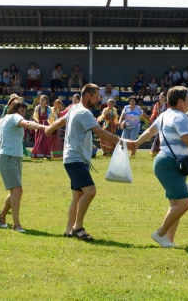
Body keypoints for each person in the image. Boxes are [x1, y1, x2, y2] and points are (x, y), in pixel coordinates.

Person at [45, 84, 136, 241]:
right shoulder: (84, 112)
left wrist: (48, 129)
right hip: (76, 159)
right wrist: (123, 142)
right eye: (96, 97)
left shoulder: (74, 108)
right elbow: (100, 132)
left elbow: (60, 121)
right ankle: (77, 228)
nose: (98, 100)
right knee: (90, 191)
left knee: (77, 196)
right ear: (87, 96)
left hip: (74, 158)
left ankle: (68, 230)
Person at [133, 86, 188, 247]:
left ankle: (168, 240)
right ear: (180, 101)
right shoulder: (180, 118)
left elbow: (151, 131)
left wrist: (137, 143)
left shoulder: (165, 115)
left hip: (170, 163)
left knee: (176, 205)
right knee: (184, 203)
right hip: (170, 164)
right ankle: (160, 234)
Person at [0, 98, 48, 232]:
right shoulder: (14, 117)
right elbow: (27, 124)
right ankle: (16, 225)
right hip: (9, 158)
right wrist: (43, 126)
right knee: (17, 190)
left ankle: (1, 217)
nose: (23, 114)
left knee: (16, 191)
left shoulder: (4, 119)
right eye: (21, 110)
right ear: (15, 109)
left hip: (14, 157)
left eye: (24, 111)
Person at [31, 95, 54, 159]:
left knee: (46, 140)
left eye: (43, 100)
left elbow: (51, 117)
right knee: (39, 139)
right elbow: (35, 116)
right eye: (41, 100)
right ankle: (38, 153)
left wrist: (51, 126)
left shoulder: (49, 108)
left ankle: (46, 154)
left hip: (46, 125)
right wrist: (37, 122)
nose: (41, 101)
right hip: (39, 125)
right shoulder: (37, 108)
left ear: (46, 101)